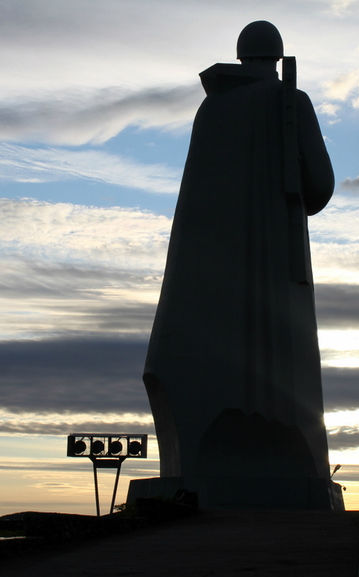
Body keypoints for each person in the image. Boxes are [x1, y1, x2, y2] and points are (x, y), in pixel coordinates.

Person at [137, 20, 339, 509]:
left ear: (241, 54)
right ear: (276, 56)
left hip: (208, 279)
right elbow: (320, 186)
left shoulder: (213, 108)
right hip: (276, 270)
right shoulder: (291, 101)